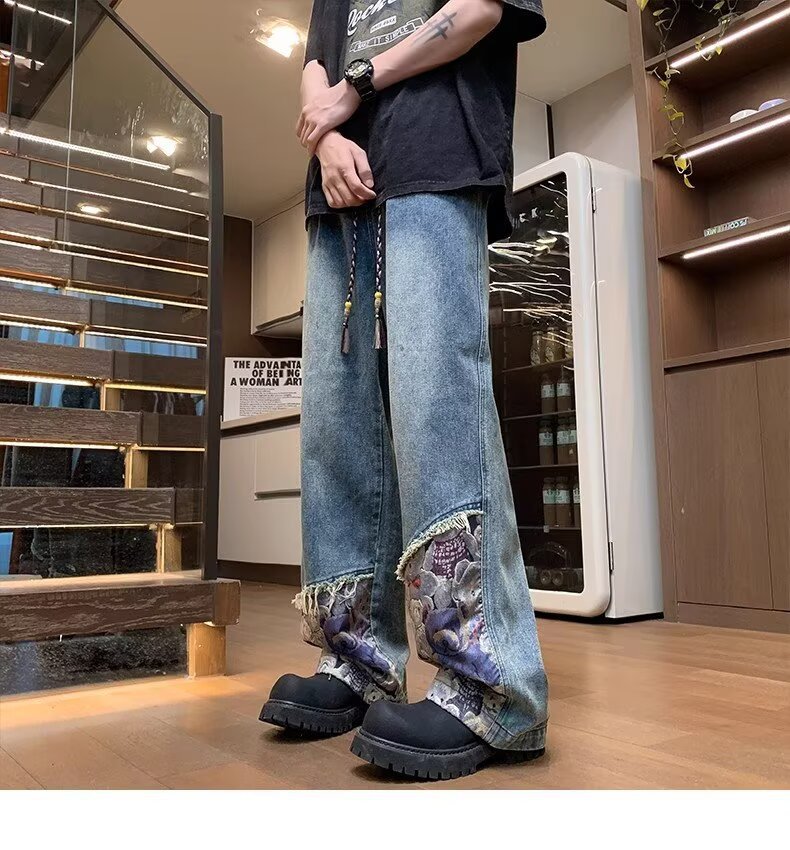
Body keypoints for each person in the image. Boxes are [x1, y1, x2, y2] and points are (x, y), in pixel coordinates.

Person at [260, 0, 549, 781]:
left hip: (435, 152)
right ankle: (357, 660)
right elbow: (314, 63)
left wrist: (355, 88)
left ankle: (490, 688)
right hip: (337, 186)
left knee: (436, 408)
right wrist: (325, 137)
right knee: (337, 425)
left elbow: (478, 10)